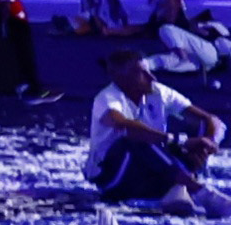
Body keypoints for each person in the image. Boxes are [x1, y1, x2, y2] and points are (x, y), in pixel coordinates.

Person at [87, 47, 221, 209]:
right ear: (121, 78)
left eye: (149, 71)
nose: (152, 77)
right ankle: (197, 191)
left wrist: (207, 145)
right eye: (142, 73)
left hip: (150, 171)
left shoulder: (159, 92)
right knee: (136, 138)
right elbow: (122, 124)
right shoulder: (107, 98)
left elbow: (209, 120)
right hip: (113, 178)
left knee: (186, 142)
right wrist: (178, 140)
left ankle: (179, 188)